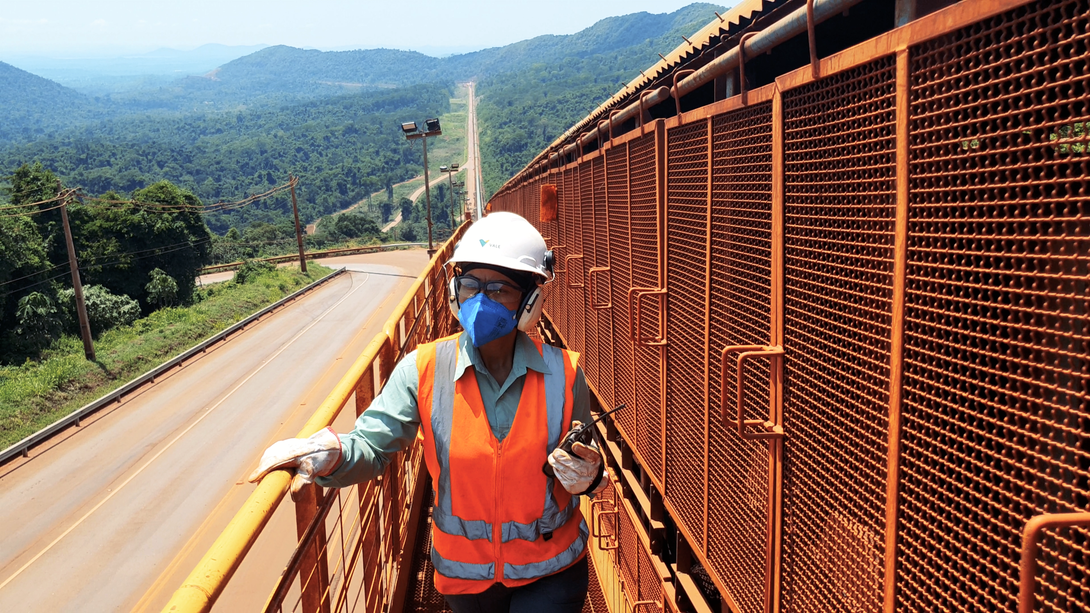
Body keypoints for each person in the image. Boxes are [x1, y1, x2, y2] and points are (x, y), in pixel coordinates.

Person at [248, 212, 607, 613]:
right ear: (454, 292)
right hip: (466, 578)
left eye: (500, 289)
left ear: (529, 301)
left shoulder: (564, 374)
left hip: (551, 569)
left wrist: (590, 476)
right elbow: (372, 445)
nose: (481, 300)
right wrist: (334, 454)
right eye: (470, 285)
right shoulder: (423, 371)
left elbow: (582, 459)